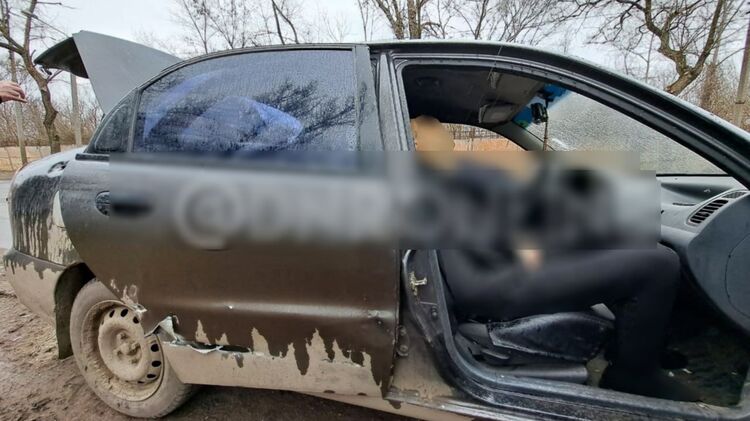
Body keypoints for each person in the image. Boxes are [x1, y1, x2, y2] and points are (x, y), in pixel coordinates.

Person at [410, 115, 700, 402]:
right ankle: (633, 375)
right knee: (659, 264)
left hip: (493, 268)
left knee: (625, 243)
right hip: (495, 282)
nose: (446, 136)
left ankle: (636, 348)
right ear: (415, 141)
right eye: (434, 130)